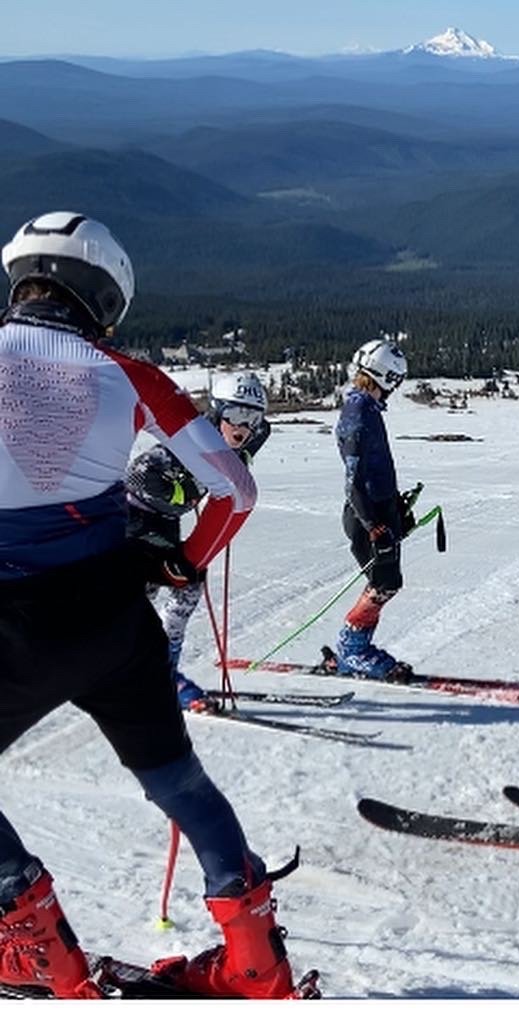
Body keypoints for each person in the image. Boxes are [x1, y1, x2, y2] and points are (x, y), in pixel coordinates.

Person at [0, 212, 306, 999]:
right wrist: (179, 561)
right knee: (178, 779)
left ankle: (35, 941)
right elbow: (235, 488)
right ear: (103, 299)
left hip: (16, 623)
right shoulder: (133, 376)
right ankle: (255, 957)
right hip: (116, 621)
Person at [126, 371, 272, 712]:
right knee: (151, 595)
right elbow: (137, 473)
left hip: (164, 525)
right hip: (134, 522)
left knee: (183, 589)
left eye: (252, 418)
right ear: (216, 411)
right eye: (235, 414)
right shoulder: (188, 443)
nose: (243, 426)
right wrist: (185, 494)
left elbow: (258, 439)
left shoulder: (231, 446)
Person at [331, 337, 417, 680]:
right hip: (366, 515)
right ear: (386, 376)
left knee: (386, 581)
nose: (396, 387)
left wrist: (394, 507)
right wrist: (375, 524)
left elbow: (373, 469)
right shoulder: (358, 412)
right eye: (396, 379)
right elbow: (354, 479)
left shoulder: (367, 408)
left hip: (379, 509)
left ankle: (354, 648)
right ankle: (353, 650)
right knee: (385, 582)